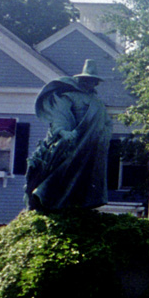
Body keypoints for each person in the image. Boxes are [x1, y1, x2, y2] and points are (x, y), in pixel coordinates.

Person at [25, 59, 112, 212]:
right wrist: (63, 131)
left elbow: (106, 122)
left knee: (85, 181)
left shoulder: (97, 102)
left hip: (91, 148)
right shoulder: (67, 96)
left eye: (93, 80)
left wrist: (103, 136)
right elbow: (61, 115)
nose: (90, 83)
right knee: (62, 175)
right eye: (87, 79)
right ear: (80, 79)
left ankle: (80, 206)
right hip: (72, 143)